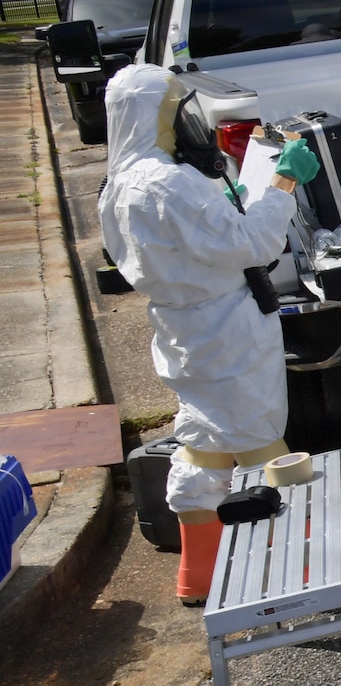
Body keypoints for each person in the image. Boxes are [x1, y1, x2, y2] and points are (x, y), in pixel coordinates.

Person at [98, 63, 322, 604]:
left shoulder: (117, 185)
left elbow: (194, 239)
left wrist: (227, 201)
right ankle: (309, 555)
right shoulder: (167, 182)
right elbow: (252, 244)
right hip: (227, 327)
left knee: (203, 440)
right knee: (261, 439)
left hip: (182, 328)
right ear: (155, 116)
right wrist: (284, 183)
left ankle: (198, 571)